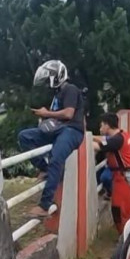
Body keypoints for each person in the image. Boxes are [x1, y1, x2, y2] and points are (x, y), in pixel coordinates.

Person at [18, 60, 85, 218]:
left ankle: (44, 205)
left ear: (57, 76)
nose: (48, 84)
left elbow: (69, 113)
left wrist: (46, 114)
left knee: (56, 158)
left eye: (48, 79)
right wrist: (44, 119)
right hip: (58, 129)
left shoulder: (70, 89)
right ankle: (44, 168)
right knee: (24, 137)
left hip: (72, 130)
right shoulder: (57, 94)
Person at [93, 113, 130, 233]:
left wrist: (80, 140)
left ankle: (124, 236)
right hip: (129, 176)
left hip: (122, 178)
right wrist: (90, 136)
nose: (100, 128)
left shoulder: (116, 140)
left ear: (107, 126)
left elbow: (98, 146)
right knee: (129, 208)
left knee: (119, 209)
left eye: (102, 126)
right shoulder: (122, 134)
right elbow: (104, 140)